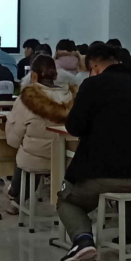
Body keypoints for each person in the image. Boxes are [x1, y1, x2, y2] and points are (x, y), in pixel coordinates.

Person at [57, 43, 131, 261]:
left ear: (94, 65)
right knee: (130, 192)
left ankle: (82, 239)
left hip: (101, 173)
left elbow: (74, 126)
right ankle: (130, 237)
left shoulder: (92, 85)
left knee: (66, 201)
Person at [6, 55, 77, 214]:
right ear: (55, 75)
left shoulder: (26, 99)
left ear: (33, 75)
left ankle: (14, 194)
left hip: (34, 158)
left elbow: (13, 137)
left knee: (24, 152)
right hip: (66, 160)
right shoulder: (71, 98)